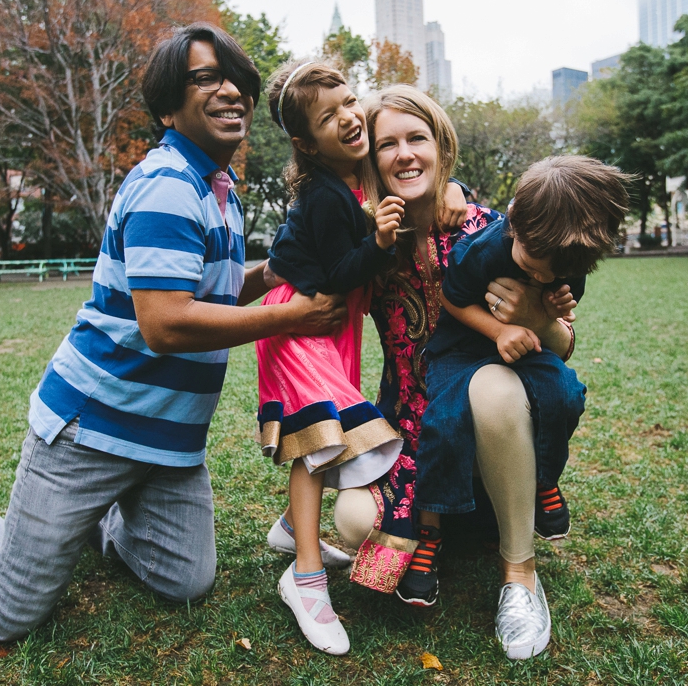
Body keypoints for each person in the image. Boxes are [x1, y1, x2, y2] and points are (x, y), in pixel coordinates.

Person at [0, 23, 346, 642]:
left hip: (167, 443)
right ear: (167, 107)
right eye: (205, 78)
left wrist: (272, 275)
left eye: (236, 78)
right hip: (92, 430)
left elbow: (205, 295)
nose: (229, 90)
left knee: (186, 579)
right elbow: (167, 324)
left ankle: (92, 522)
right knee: (5, 615)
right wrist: (293, 315)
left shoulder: (218, 187)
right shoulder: (168, 186)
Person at [327, 85, 588, 660]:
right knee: (351, 522)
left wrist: (531, 318)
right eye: (387, 144)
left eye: (417, 138)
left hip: (491, 420)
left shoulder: (494, 232)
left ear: (441, 147)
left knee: (490, 386)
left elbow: (562, 347)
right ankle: (466, 520)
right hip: (411, 432)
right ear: (372, 161)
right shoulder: (370, 244)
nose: (404, 155)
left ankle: (519, 572)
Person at [256, 61, 469, 655]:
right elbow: (335, 275)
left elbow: (426, 169)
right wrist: (378, 242)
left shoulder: (360, 175)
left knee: (325, 431)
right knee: (319, 438)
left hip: (333, 327)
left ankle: (289, 528)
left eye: (350, 102)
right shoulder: (326, 194)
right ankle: (305, 579)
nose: (349, 117)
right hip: (303, 321)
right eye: (330, 117)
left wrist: (453, 188)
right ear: (306, 141)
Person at [401, 156, 630, 659]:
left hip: (530, 346)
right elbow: (452, 300)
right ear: (514, 219)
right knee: (443, 421)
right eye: (531, 261)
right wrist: (500, 330)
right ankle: (430, 532)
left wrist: (546, 314)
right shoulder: (484, 247)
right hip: (463, 350)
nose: (540, 272)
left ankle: (542, 479)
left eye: (555, 271)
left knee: (565, 393)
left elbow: (560, 325)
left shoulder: (564, 257)